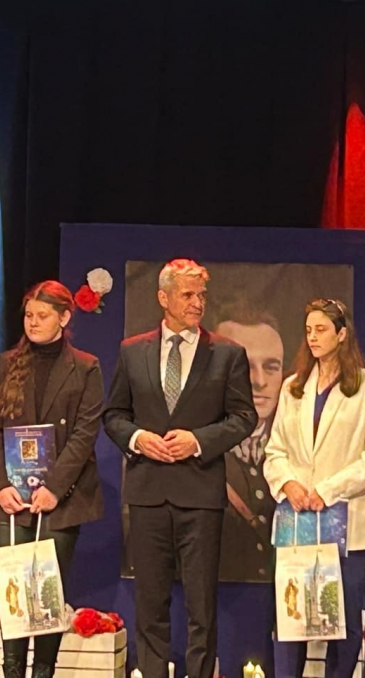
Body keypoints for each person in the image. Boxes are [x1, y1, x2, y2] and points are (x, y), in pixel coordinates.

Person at [103, 259, 256, 678]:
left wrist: (198, 441)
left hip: (200, 495)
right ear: (163, 297)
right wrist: (138, 438)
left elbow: (244, 417)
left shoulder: (227, 354)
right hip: (148, 494)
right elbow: (114, 414)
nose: (197, 303)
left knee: (201, 607)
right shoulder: (132, 351)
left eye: (201, 295)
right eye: (187, 295)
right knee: (149, 603)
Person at [0, 281, 104, 678]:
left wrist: (54, 489)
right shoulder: (7, 364)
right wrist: (0, 486)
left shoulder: (85, 367)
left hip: (60, 498)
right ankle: (12, 669)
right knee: (14, 590)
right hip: (11, 498)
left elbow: (85, 433)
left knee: (47, 591)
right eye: (29, 315)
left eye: (43, 316)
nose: (33, 322)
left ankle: (44, 671)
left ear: (64, 318)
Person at [265, 299, 365, 678]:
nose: (313, 337)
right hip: (298, 519)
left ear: (341, 334)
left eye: (321, 329)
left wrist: (329, 489)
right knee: (292, 618)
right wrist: (288, 482)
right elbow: (275, 450)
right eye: (308, 330)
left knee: (343, 619)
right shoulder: (293, 387)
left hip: (347, 522)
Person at [214, 305, 286, 582]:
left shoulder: (299, 449)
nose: (259, 381)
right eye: (243, 366)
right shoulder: (193, 448)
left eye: (271, 367)